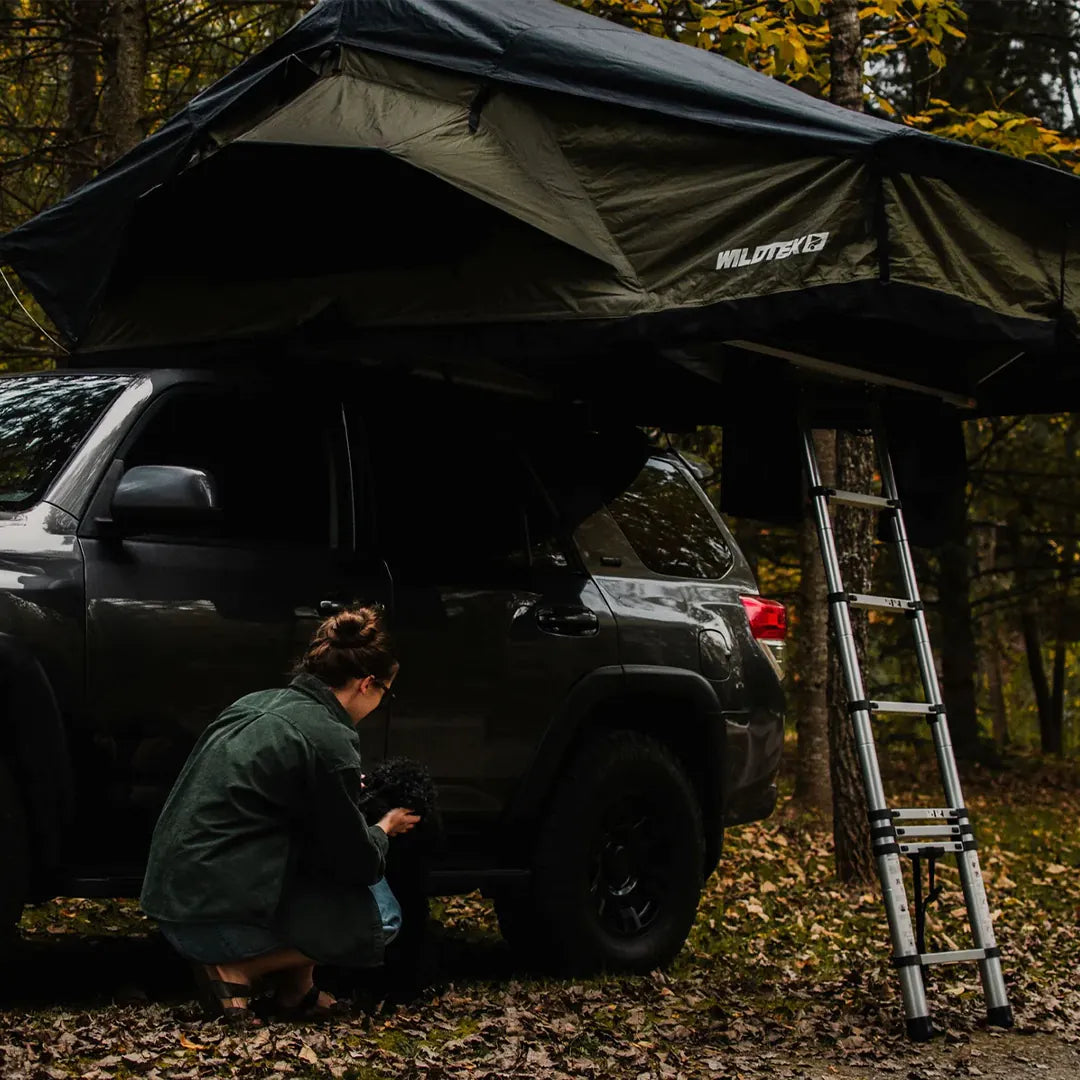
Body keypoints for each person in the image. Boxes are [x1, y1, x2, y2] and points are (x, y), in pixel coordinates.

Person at [140, 605, 419, 1025]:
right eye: (386, 692)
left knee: (311, 855)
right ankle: (237, 971)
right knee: (382, 915)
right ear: (366, 684)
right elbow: (356, 862)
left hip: (173, 904)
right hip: (215, 926)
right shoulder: (331, 738)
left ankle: (296, 991)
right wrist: (384, 826)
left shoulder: (254, 704)